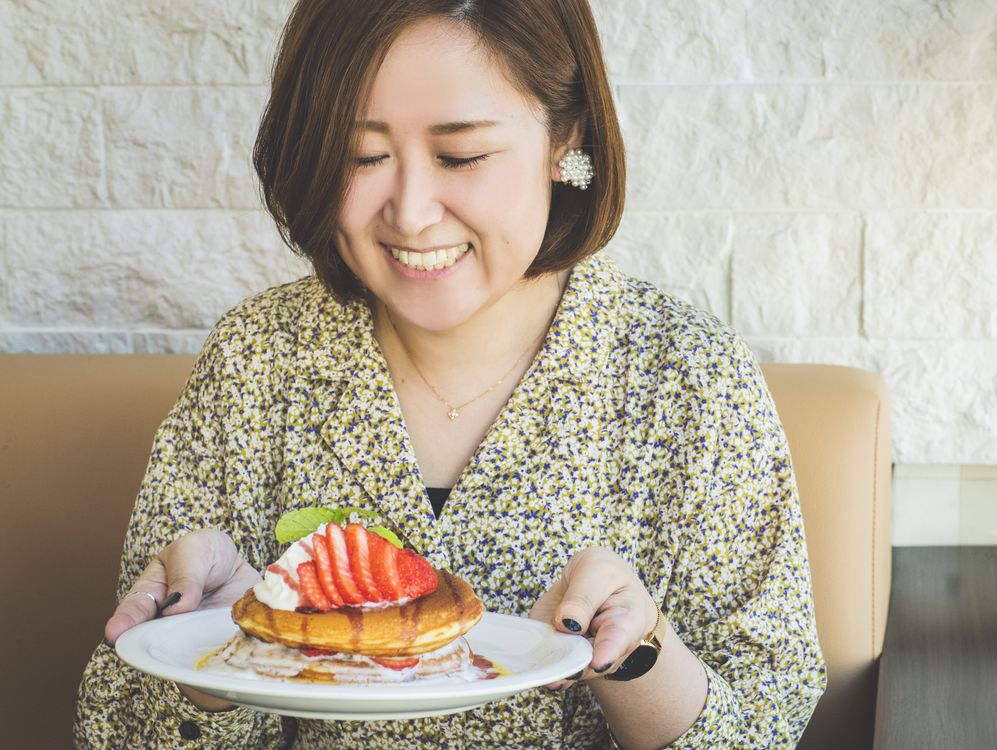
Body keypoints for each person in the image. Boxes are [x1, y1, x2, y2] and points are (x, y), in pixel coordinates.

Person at [74, 0, 825, 747]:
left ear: (564, 137)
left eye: (460, 156)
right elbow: (114, 728)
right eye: (361, 156)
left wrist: (636, 651)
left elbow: (767, 722)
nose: (410, 212)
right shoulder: (257, 360)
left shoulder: (687, 380)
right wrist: (213, 655)